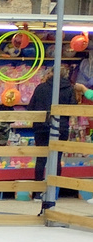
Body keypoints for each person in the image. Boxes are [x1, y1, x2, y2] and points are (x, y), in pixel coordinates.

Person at [30, 64, 76, 209]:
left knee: (41, 157)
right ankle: (54, 192)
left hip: (42, 126)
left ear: (50, 73)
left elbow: (31, 108)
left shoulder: (40, 88)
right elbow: (72, 108)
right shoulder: (69, 89)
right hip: (61, 127)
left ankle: (37, 193)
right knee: (56, 158)